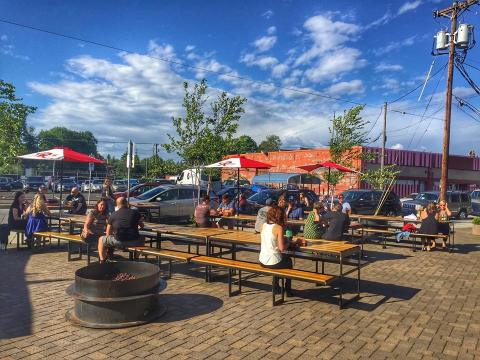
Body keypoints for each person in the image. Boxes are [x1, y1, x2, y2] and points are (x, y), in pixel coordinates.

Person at [259, 206, 305, 296]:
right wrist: (291, 242)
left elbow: (270, 238)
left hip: (262, 260)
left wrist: (283, 239)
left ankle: (276, 286)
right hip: (272, 261)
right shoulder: (278, 227)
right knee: (288, 261)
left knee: (280, 260)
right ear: (279, 216)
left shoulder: (263, 225)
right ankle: (288, 290)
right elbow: (282, 248)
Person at [98, 197, 144, 262]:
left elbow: (108, 232)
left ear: (117, 205)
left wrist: (109, 244)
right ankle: (136, 258)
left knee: (101, 239)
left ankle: (102, 260)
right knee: (142, 237)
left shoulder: (113, 214)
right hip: (134, 241)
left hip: (118, 241)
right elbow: (142, 226)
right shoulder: (135, 213)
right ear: (126, 203)